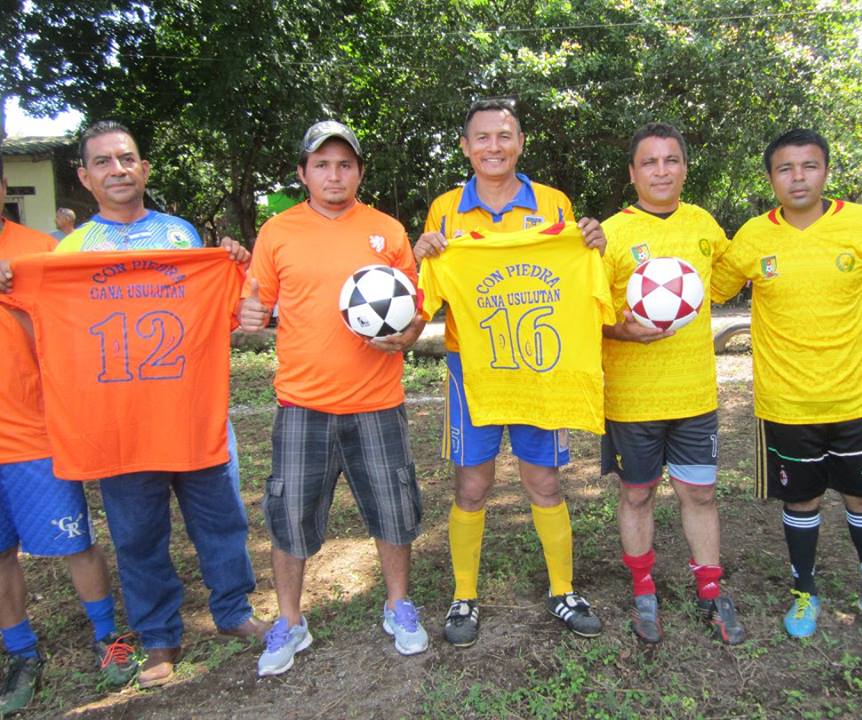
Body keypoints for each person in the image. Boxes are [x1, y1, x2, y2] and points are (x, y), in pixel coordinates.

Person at [55, 120, 266, 687]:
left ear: (144, 168)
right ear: (84, 176)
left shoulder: (181, 236)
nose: (117, 170)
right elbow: (48, 323)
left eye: (127, 159)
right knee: (137, 536)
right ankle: (158, 638)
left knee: (222, 521)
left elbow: (216, 306)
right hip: (120, 426)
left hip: (194, 414)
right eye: (102, 162)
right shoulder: (70, 251)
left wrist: (230, 262)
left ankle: (233, 613)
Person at [712, 128, 862, 642]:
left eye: (809, 166)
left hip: (855, 396)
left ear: (825, 171)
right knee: (800, 503)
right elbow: (710, 286)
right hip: (786, 402)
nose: (798, 177)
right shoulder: (755, 235)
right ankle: (805, 592)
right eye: (785, 168)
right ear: (771, 178)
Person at [414, 99, 606, 647]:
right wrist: (422, 251)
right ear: (465, 147)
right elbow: (426, 292)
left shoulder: (553, 203)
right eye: (482, 138)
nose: (493, 147)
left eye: (504, 136)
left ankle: (564, 590)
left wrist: (591, 242)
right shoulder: (445, 210)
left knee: (543, 480)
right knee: (471, 483)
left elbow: (573, 268)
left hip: (542, 367)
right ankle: (463, 596)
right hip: (470, 365)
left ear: (520, 141)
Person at [239, 120, 429, 676]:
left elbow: (417, 310)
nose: (334, 174)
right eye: (322, 164)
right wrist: (249, 315)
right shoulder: (277, 232)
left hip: (376, 401)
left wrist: (409, 334)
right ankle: (291, 621)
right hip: (302, 404)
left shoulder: (387, 231)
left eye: (345, 164)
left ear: (359, 172)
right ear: (303, 173)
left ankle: (398, 606)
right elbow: (257, 306)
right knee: (290, 515)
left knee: (394, 511)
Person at [0, 154, 136, 716]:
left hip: (32, 432)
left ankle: (107, 636)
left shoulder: (38, 250)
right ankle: (20, 654)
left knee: (73, 539)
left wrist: (14, 295)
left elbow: (70, 333)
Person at [600, 123, 746, 645]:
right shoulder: (612, 234)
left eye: (671, 161)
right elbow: (586, 312)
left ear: (685, 167)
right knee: (637, 494)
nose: (661, 171)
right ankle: (644, 589)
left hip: (694, 394)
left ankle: (711, 590)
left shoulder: (704, 224)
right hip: (632, 396)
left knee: (700, 493)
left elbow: (727, 282)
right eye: (650, 162)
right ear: (633, 172)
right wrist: (621, 329)